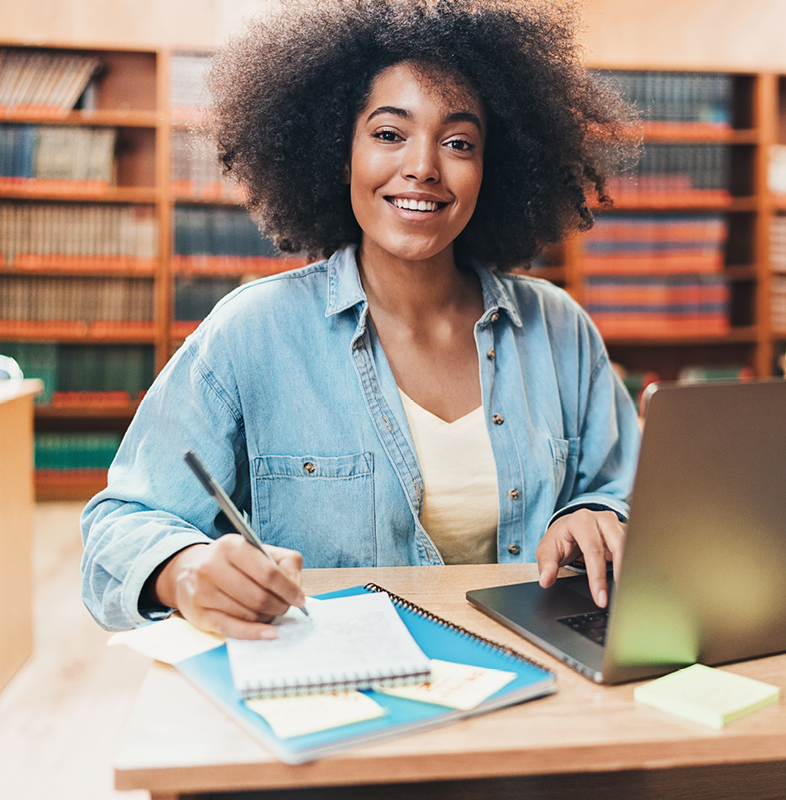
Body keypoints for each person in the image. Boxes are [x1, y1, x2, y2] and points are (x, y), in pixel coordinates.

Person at [81, 0, 642, 638]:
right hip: (340, 696)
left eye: (459, 142)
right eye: (388, 133)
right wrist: (184, 572)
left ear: (497, 169)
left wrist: (599, 512)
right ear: (336, 149)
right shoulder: (251, 333)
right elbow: (121, 522)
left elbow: (629, 488)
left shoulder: (561, 331)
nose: (424, 166)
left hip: (546, 680)